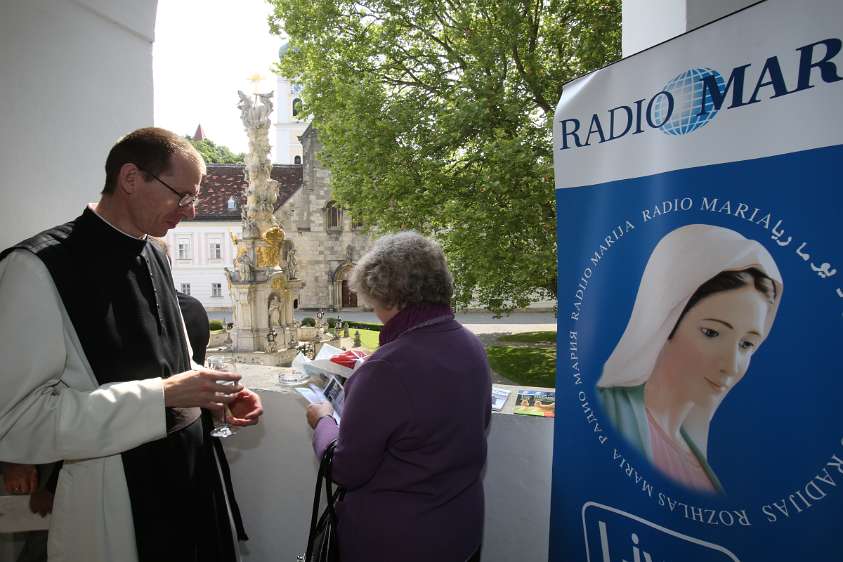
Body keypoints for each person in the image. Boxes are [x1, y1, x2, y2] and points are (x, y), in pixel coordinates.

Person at [0, 127, 263, 562]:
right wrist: (162, 395)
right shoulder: (36, 267)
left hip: (193, 485)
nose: (191, 211)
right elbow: (16, 420)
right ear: (130, 178)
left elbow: (171, 366)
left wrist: (215, 396)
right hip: (119, 494)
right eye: (182, 196)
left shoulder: (153, 253)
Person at [306, 232, 491, 562]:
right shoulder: (470, 344)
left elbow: (345, 470)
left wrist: (322, 421)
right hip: (461, 531)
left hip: (398, 542)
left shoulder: (385, 370)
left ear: (385, 295)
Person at [597, 224, 783, 493]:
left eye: (746, 344)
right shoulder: (611, 416)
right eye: (711, 332)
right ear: (665, 321)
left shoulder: (694, 458)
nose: (731, 366)